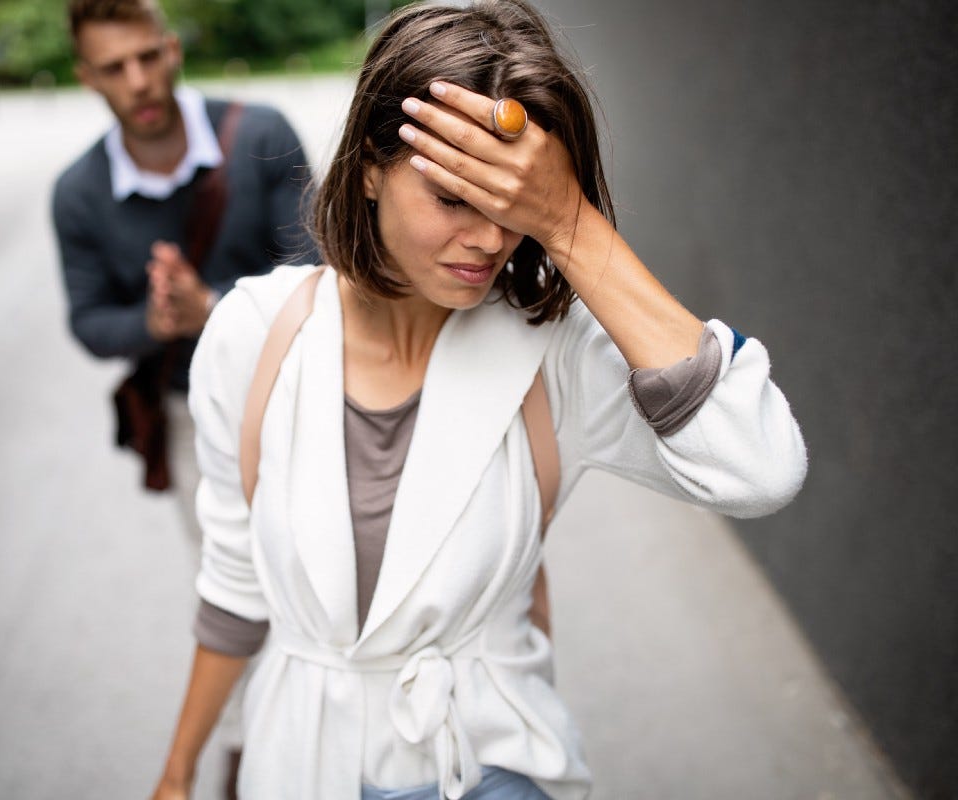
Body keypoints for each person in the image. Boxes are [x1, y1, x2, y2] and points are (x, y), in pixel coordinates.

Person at [153, 1, 808, 798]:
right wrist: (179, 771)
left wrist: (571, 223)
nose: (492, 240)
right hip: (302, 763)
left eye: (516, 205)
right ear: (367, 167)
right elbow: (233, 589)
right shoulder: (253, 334)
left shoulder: (554, 353)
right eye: (453, 197)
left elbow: (761, 469)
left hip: (491, 763)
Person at [51, 0, 315, 794]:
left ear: (170, 50)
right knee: (231, 585)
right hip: (190, 419)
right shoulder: (78, 193)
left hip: (306, 399)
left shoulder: (262, 133)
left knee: (324, 569)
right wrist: (153, 320)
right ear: (86, 77)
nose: (138, 82)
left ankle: (336, 732)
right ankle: (245, 753)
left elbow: (323, 270)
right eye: (113, 67)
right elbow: (90, 322)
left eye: (146, 57)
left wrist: (217, 308)